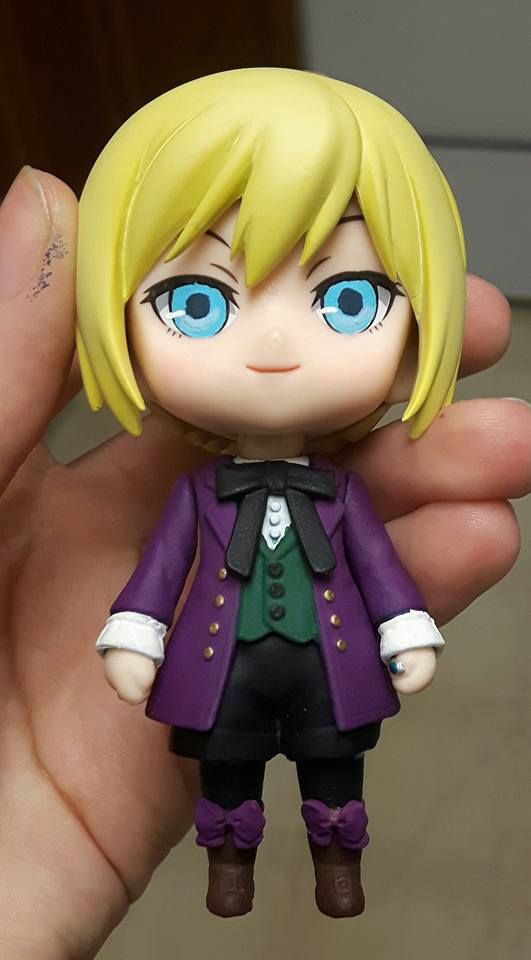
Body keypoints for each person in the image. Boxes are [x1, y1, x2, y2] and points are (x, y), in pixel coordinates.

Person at [0, 169, 529, 950]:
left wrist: (404, 628)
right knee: (225, 766)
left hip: (329, 655)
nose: (275, 346)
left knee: (333, 763)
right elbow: (159, 570)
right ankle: (229, 866)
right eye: (197, 303)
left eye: (348, 300)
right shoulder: (194, 494)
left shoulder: (342, 493)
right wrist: (136, 634)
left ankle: (337, 863)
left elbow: (379, 568)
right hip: (218, 658)